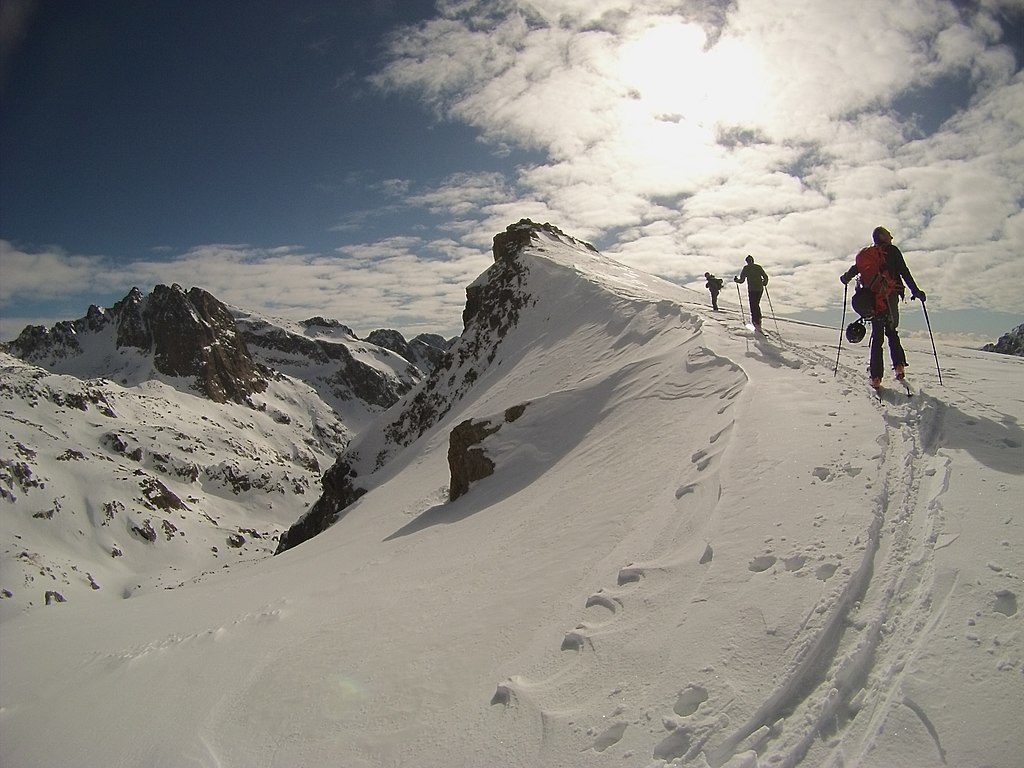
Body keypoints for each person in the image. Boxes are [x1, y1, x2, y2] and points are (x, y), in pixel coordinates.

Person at [840, 226, 926, 388]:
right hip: (890, 296)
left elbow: (854, 269)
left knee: (877, 337)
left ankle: (876, 378)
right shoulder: (892, 251)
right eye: (888, 235)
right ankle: (899, 367)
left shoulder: (868, 255)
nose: (891, 237)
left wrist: (845, 278)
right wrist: (916, 291)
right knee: (892, 332)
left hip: (873, 300)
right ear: (881, 236)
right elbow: (904, 272)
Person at [734, 255, 769, 330]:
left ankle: (756, 321)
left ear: (747, 261)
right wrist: (764, 282)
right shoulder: (758, 267)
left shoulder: (746, 268)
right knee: (756, 304)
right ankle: (758, 320)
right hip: (760, 288)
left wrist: (736, 280)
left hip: (752, 289)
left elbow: (742, 280)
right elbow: (765, 277)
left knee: (753, 305)